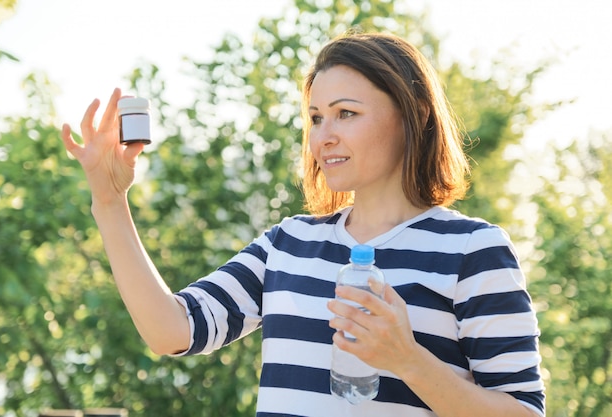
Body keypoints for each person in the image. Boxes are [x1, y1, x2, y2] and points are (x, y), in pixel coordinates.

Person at [61, 32, 545, 417]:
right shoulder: (288, 243)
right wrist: (109, 200)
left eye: (346, 114)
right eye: (315, 118)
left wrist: (407, 360)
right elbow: (172, 331)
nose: (323, 137)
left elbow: (522, 412)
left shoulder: (473, 250)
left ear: (413, 115)